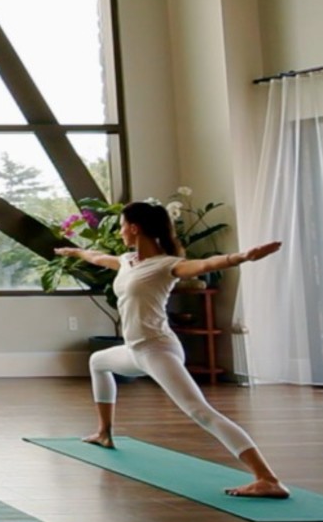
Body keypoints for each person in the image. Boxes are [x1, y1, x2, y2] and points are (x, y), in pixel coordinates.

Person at [55, 201, 287, 498]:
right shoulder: (127, 261)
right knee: (98, 361)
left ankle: (266, 478)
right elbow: (98, 257)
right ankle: (104, 433)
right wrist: (73, 252)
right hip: (135, 350)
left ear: (134, 228)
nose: (121, 231)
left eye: (123, 225)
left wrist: (242, 256)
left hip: (157, 350)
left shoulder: (167, 265)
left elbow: (205, 265)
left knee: (200, 412)